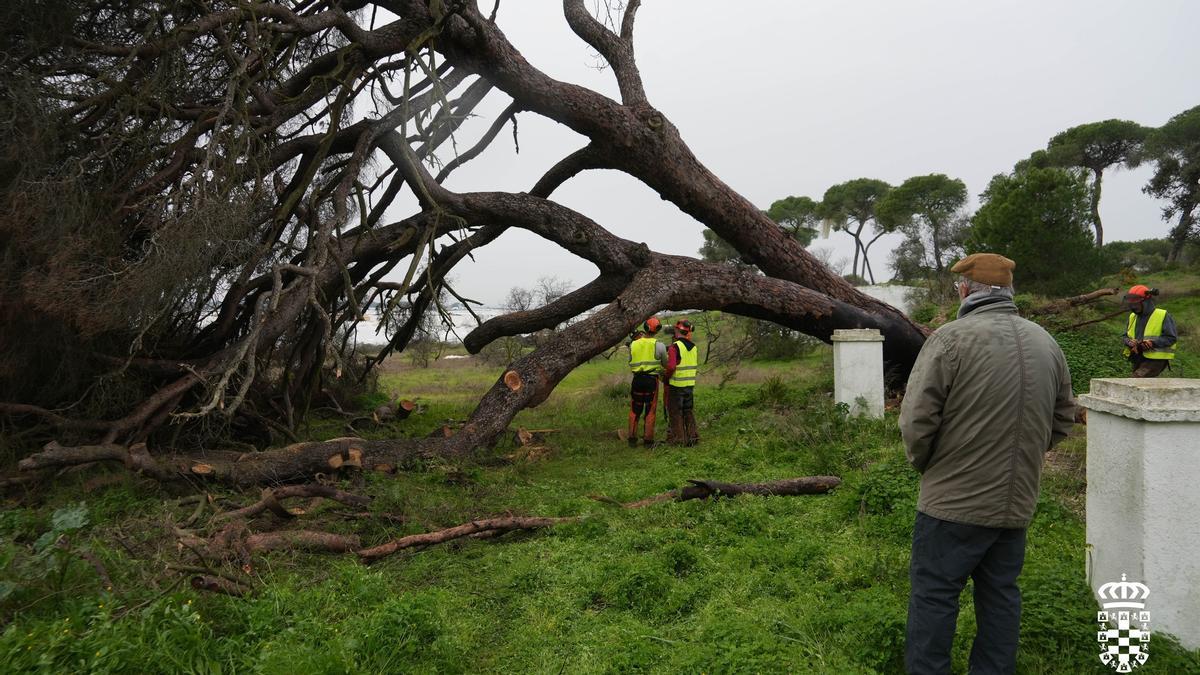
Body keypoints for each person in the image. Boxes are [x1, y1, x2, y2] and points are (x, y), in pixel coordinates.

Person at [899, 253, 1076, 675]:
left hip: (951, 502)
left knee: (935, 595)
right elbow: (1063, 418)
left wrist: (929, 465)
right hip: (1015, 503)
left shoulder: (948, 339)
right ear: (1010, 292)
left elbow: (916, 421)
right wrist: (1025, 456)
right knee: (1000, 595)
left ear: (964, 291)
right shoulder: (1046, 343)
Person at [627, 317, 668, 447]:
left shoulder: (633, 344)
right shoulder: (660, 345)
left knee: (635, 409)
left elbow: (630, 361)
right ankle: (648, 441)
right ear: (657, 330)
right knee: (650, 411)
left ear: (644, 328)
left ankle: (632, 439)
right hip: (651, 381)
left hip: (637, 380)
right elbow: (665, 364)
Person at [1121, 284, 1177, 378]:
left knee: (1136, 379)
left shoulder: (1162, 315)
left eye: (1136, 303)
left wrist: (1152, 343)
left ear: (1146, 301)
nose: (1133, 306)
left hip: (1155, 359)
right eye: (1131, 303)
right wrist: (1129, 342)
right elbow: (1124, 336)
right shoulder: (1133, 317)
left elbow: (1171, 338)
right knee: (1138, 384)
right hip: (1138, 357)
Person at [663, 319, 700, 446]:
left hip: (677, 386)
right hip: (689, 385)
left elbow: (672, 366)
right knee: (688, 411)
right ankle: (693, 437)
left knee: (675, 412)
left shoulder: (675, 347)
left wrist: (666, 378)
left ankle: (678, 440)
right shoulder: (694, 347)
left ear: (678, 330)